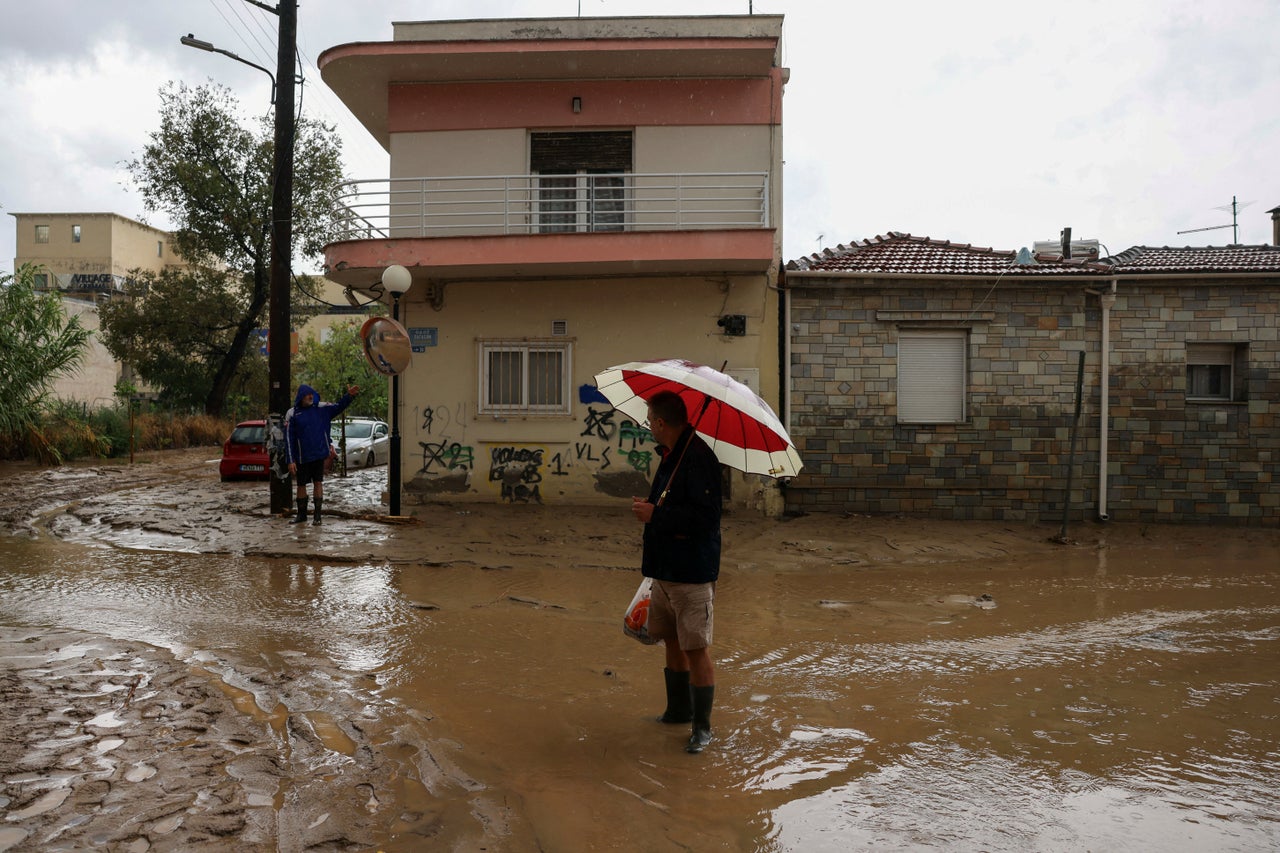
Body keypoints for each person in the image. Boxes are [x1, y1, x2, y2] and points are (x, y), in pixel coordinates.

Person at [631, 390, 723, 754]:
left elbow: (707, 519)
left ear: (660, 422)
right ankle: (677, 710)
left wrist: (657, 515)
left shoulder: (699, 458)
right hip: (665, 569)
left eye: (649, 419)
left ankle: (702, 728)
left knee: (696, 647)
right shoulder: (672, 455)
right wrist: (651, 507)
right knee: (671, 639)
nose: (648, 425)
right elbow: (670, 505)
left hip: (691, 571)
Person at [284, 383, 359, 525]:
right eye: (307, 394)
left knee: (318, 483)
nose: (310, 396)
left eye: (312, 394)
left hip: (318, 455)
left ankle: (317, 516)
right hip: (301, 457)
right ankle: (302, 515)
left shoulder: (321, 408)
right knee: (301, 485)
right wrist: (290, 460)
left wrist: (349, 396)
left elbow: (338, 406)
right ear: (301, 397)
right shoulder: (292, 413)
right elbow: (288, 438)